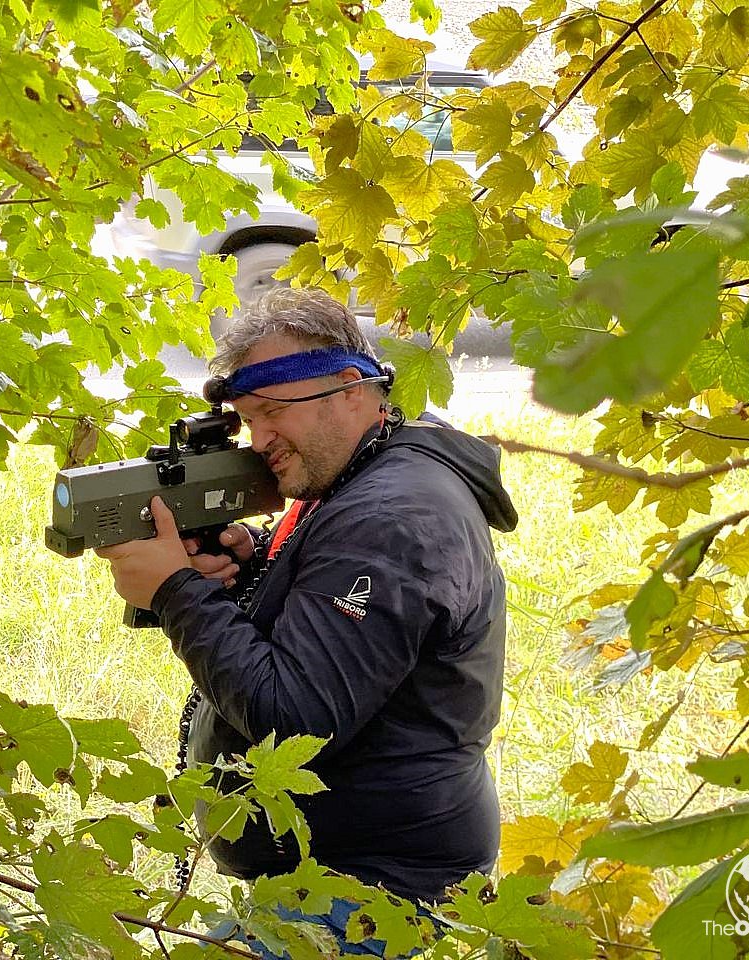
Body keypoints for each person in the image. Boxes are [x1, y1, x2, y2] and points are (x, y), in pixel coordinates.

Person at [96, 288, 517, 952]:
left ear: (350, 389)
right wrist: (254, 565)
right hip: (328, 882)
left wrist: (177, 591)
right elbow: (341, 628)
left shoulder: (391, 515)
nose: (258, 441)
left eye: (270, 413)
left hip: (374, 896)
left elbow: (294, 715)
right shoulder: (356, 476)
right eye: (245, 419)